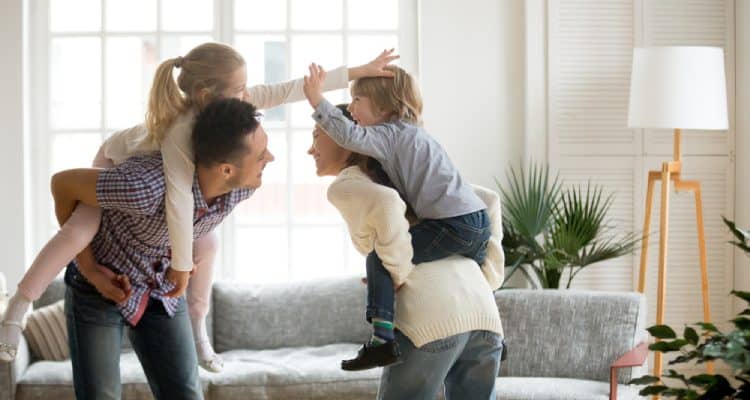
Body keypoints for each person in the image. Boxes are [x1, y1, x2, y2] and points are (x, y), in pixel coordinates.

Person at [0, 42, 398, 372]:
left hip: (161, 198)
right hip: (112, 160)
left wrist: (359, 69)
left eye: (246, 87)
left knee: (207, 246)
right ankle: (17, 309)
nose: (248, 95)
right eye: (239, 88)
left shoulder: (230, 105)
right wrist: (180, 267)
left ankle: (198, 333)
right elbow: (177, 198)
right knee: (79, 232)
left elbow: (288, 89)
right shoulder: (180, 131)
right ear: (207, 95)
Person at [53, 98, 266, 399]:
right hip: (98, 284)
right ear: (226, 170)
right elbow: (61, 184)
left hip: (160, 287)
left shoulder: (242, 188)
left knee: (185, 394)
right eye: (260, 155)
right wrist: (90, 270)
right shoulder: (141, 188)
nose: (270, 158)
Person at [308, 105, 506, 399]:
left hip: (430, 320)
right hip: (484, 316)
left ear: (344, 137)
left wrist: (396, 268)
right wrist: (488, 276)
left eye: (316, 136)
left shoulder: (347, 184)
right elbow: (487, 199)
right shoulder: (405, 175)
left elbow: (387, 205)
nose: (310, 150)